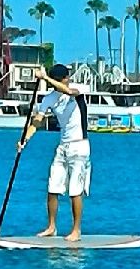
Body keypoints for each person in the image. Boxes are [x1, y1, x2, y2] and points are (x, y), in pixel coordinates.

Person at [18, 63, 90, 242]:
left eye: (60, 80)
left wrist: (45, 78)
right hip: (63, 147)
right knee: (52, 187)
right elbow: (37, 121)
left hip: (79, 146)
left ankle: (76, 230)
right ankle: (51, 227)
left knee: (75, 190)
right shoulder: (48, 99)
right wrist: (24, 140)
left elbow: (68, 91)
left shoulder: (77, 90)